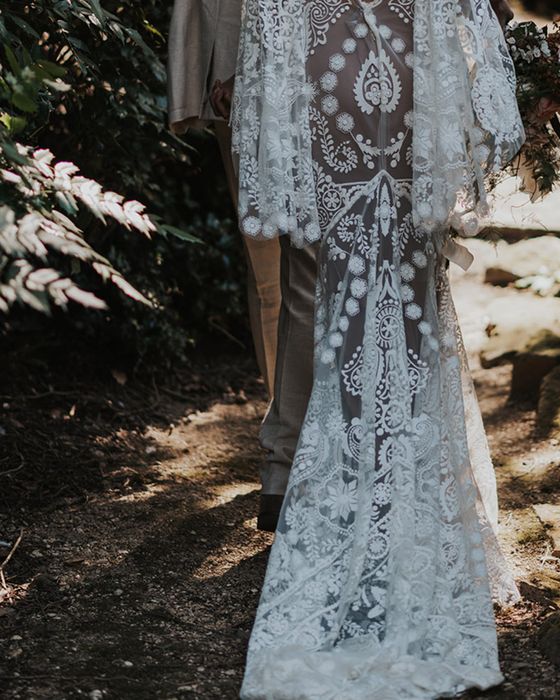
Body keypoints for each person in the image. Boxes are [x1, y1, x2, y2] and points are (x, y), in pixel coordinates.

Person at [232, 0, 527, 695]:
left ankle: (364, 518)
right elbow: (495, 109)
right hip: (399, 70)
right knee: (404, 297)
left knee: (351, 302)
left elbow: (267, 48)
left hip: (327, 70)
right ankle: (397, 519)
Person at [167, 0, 316, 532]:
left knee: (327, 263)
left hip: (364, 60)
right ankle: (287, 435)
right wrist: (215, 69)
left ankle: (304, 443)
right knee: (271, 271)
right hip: (243, 73)